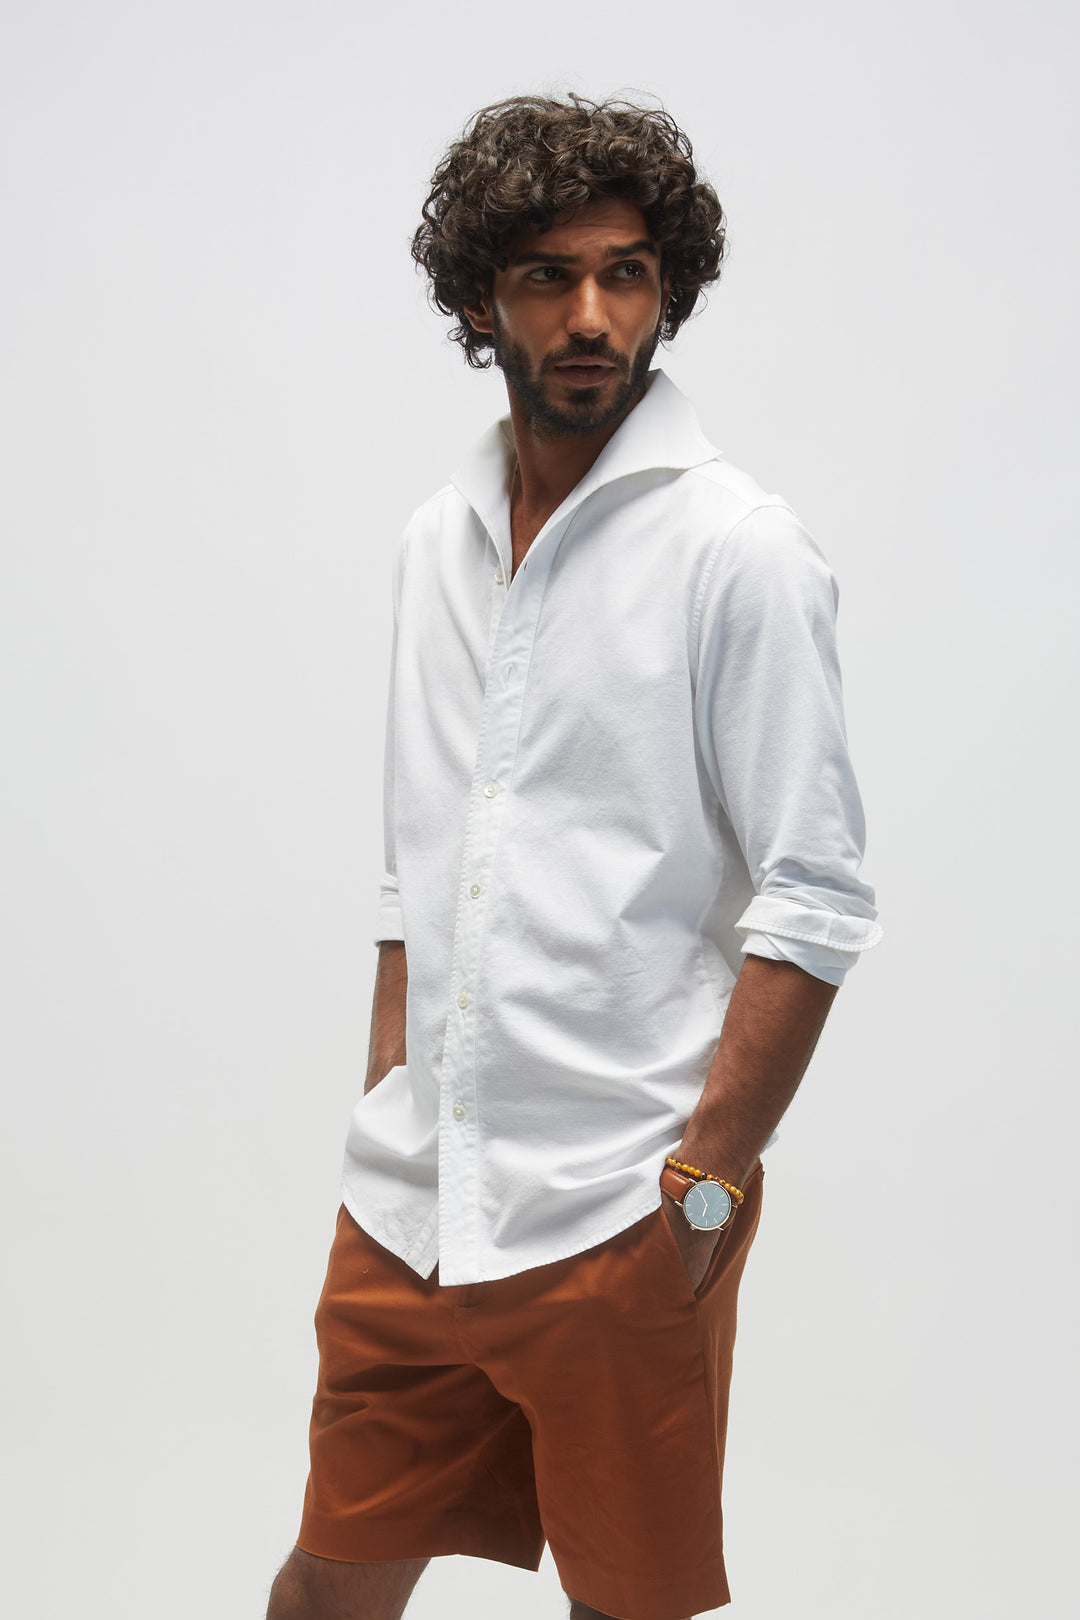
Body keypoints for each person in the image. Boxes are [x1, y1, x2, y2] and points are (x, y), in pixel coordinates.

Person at [266, 91, 881, 1620]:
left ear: (668, 289)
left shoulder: (739, 550)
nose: (593, 315)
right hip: (413, 1206)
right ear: (483, 299)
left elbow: (815, 894)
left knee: (631, 1607)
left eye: (626, 273)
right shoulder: (438, 541)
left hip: (618, 1212)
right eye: (549, 276)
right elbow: (419, 861)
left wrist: (704, 1189)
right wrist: (391, 1090)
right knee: (330, 1583)